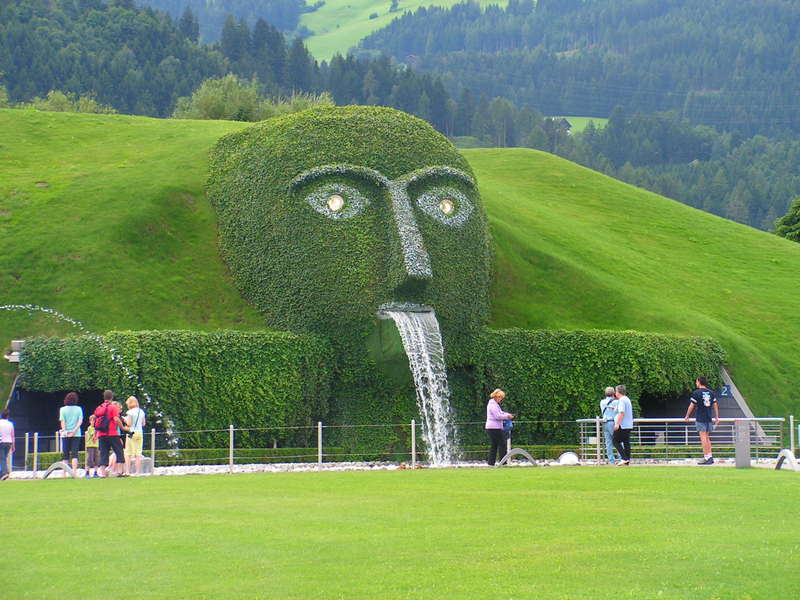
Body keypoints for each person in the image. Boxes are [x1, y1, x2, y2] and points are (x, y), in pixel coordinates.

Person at [684, 376, 720, 465]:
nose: (696, 383)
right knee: (707, 438)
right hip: (709, 418)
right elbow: (715, 405)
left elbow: (692, 405)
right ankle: (710, 457)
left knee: (703, 438)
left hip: (700, 418)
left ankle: (706, 457)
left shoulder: (696, 393)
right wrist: (717, 417)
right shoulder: (711, 392)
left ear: (699, 382)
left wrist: (687, 415)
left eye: (696, 382)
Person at [94, 390, 125, 478]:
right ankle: (119, 472)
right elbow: (116, 419)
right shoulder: (113, 407)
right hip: (112, 433)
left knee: (103, 453)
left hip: (101, 434)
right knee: (119, 451)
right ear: (112, 397)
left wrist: (96, 434)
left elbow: (96, 421)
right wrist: (122, 427)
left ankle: (103, 473)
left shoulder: (99, 407)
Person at [485, 389, 514, 466]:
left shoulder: (494, 404)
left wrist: (507, 414)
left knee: (494, 445)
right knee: (502, 444)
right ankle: (503, 463)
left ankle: (491, 463)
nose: (501, 399)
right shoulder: (493, 405)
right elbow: (497, 416)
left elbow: (501, 413)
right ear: (496, 396)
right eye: (500, 397)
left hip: (492, 427)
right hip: (494, 428)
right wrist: (507, 416)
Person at [59, 391, 83, 476]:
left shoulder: (62, 409)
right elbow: (80, 421)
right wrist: (74, 431)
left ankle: (64, 473)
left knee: (65, 453)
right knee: (74, 453)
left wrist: (65, 431)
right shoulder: (79, 409)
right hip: (76, 434)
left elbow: (62, 421)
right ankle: (74, 472)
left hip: (65, 434)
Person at [123, 396, 146, 475]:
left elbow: (129, 423)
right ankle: (138, 472)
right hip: (140, 432)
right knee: (138, 453)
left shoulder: (130, 412)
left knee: (128, 453)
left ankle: (127, 471)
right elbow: (143, 423)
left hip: (131, 432)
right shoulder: (141, 411)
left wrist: (124, 420)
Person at [612, 384, 633, 466]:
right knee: (626, 442)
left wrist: (617, 423)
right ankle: (627, 459)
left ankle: (624, 458)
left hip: (622, 425)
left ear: (618, 392)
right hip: (628, 424)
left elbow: (622, 413)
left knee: (615, 441)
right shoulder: (627, 399)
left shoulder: (621, 400)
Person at [600, 387, 618, 464]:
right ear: (614, 393)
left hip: (605, 422)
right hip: (613, 422)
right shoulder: (616, 402)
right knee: (618, 440)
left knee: (608, 443)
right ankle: (621, 458)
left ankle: (611, 460)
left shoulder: (602, 402)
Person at [0, 409, 14, 481]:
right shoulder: (10, 424)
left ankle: (5, 472)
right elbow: (12, 435)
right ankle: (3, 473)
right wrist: (13, 445)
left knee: (2, 458)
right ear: (8, 416)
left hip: (1, 441)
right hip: (9, 442)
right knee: (4, 458)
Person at [84, 414, 100, 478]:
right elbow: (93, 436)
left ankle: (95, 472)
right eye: (92, 421)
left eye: (94, 421)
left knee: (96, 459)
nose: (93, 422)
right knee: (89, 459)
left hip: (96, 445)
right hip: (90, 445)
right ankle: (87, 472)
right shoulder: (90, 428)